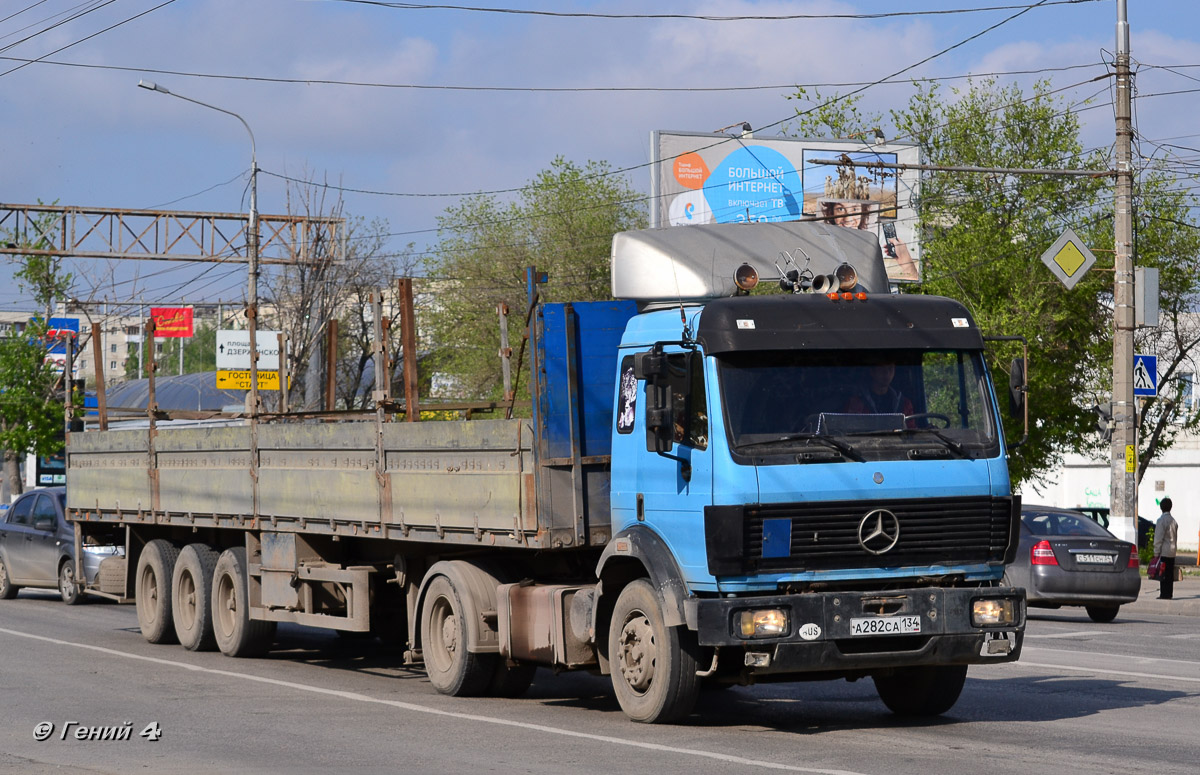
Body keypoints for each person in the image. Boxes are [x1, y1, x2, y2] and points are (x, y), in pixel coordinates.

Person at [843, 360, 914, 417]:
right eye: (882, 368)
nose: (887, 373)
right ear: (872, 372)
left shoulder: (904, 404)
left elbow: (911, 432)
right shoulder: (855, 403)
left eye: (890, 368)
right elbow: (849, 430)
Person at [1154, 498, 1179, 600]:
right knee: (1169, 574)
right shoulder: (1174, 522)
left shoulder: (1161, 521)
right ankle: (1169, 593)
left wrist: (1156, 552)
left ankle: (1164, 594)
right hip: (1172, 551)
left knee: (1162, 574)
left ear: (1161, 508)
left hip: (1164, 551)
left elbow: (1158, 538)